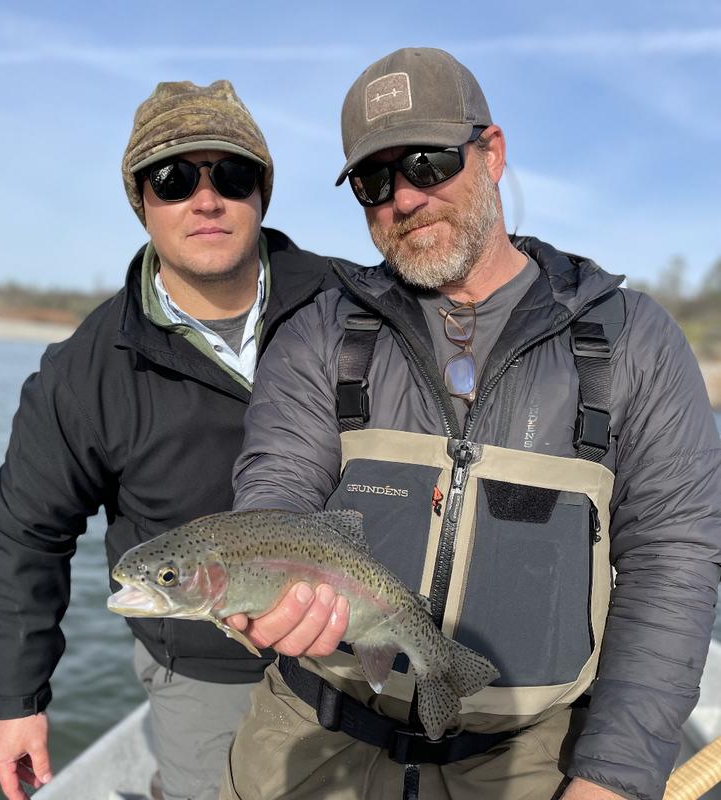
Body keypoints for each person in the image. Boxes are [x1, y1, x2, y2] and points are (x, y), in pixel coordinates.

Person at [223, 48, 721, 800]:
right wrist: (263, 577)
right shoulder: (319, 332)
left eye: (426, 163)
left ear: (491, 153)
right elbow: (277, 482)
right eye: (373, 180)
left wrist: (612, 778)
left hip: (528, 759)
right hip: (310, 741)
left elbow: (672, 565)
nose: (403, 198)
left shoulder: (634, 341)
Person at [0, 79, 349, 800]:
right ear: (142, 202)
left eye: (232, 175)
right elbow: (28, 532)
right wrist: (18, 703)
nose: (205, 199)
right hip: (207, 668)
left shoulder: (351, 302)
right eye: (174, 178)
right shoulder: (84, 372)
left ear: (261, 194)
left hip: (352, 628)